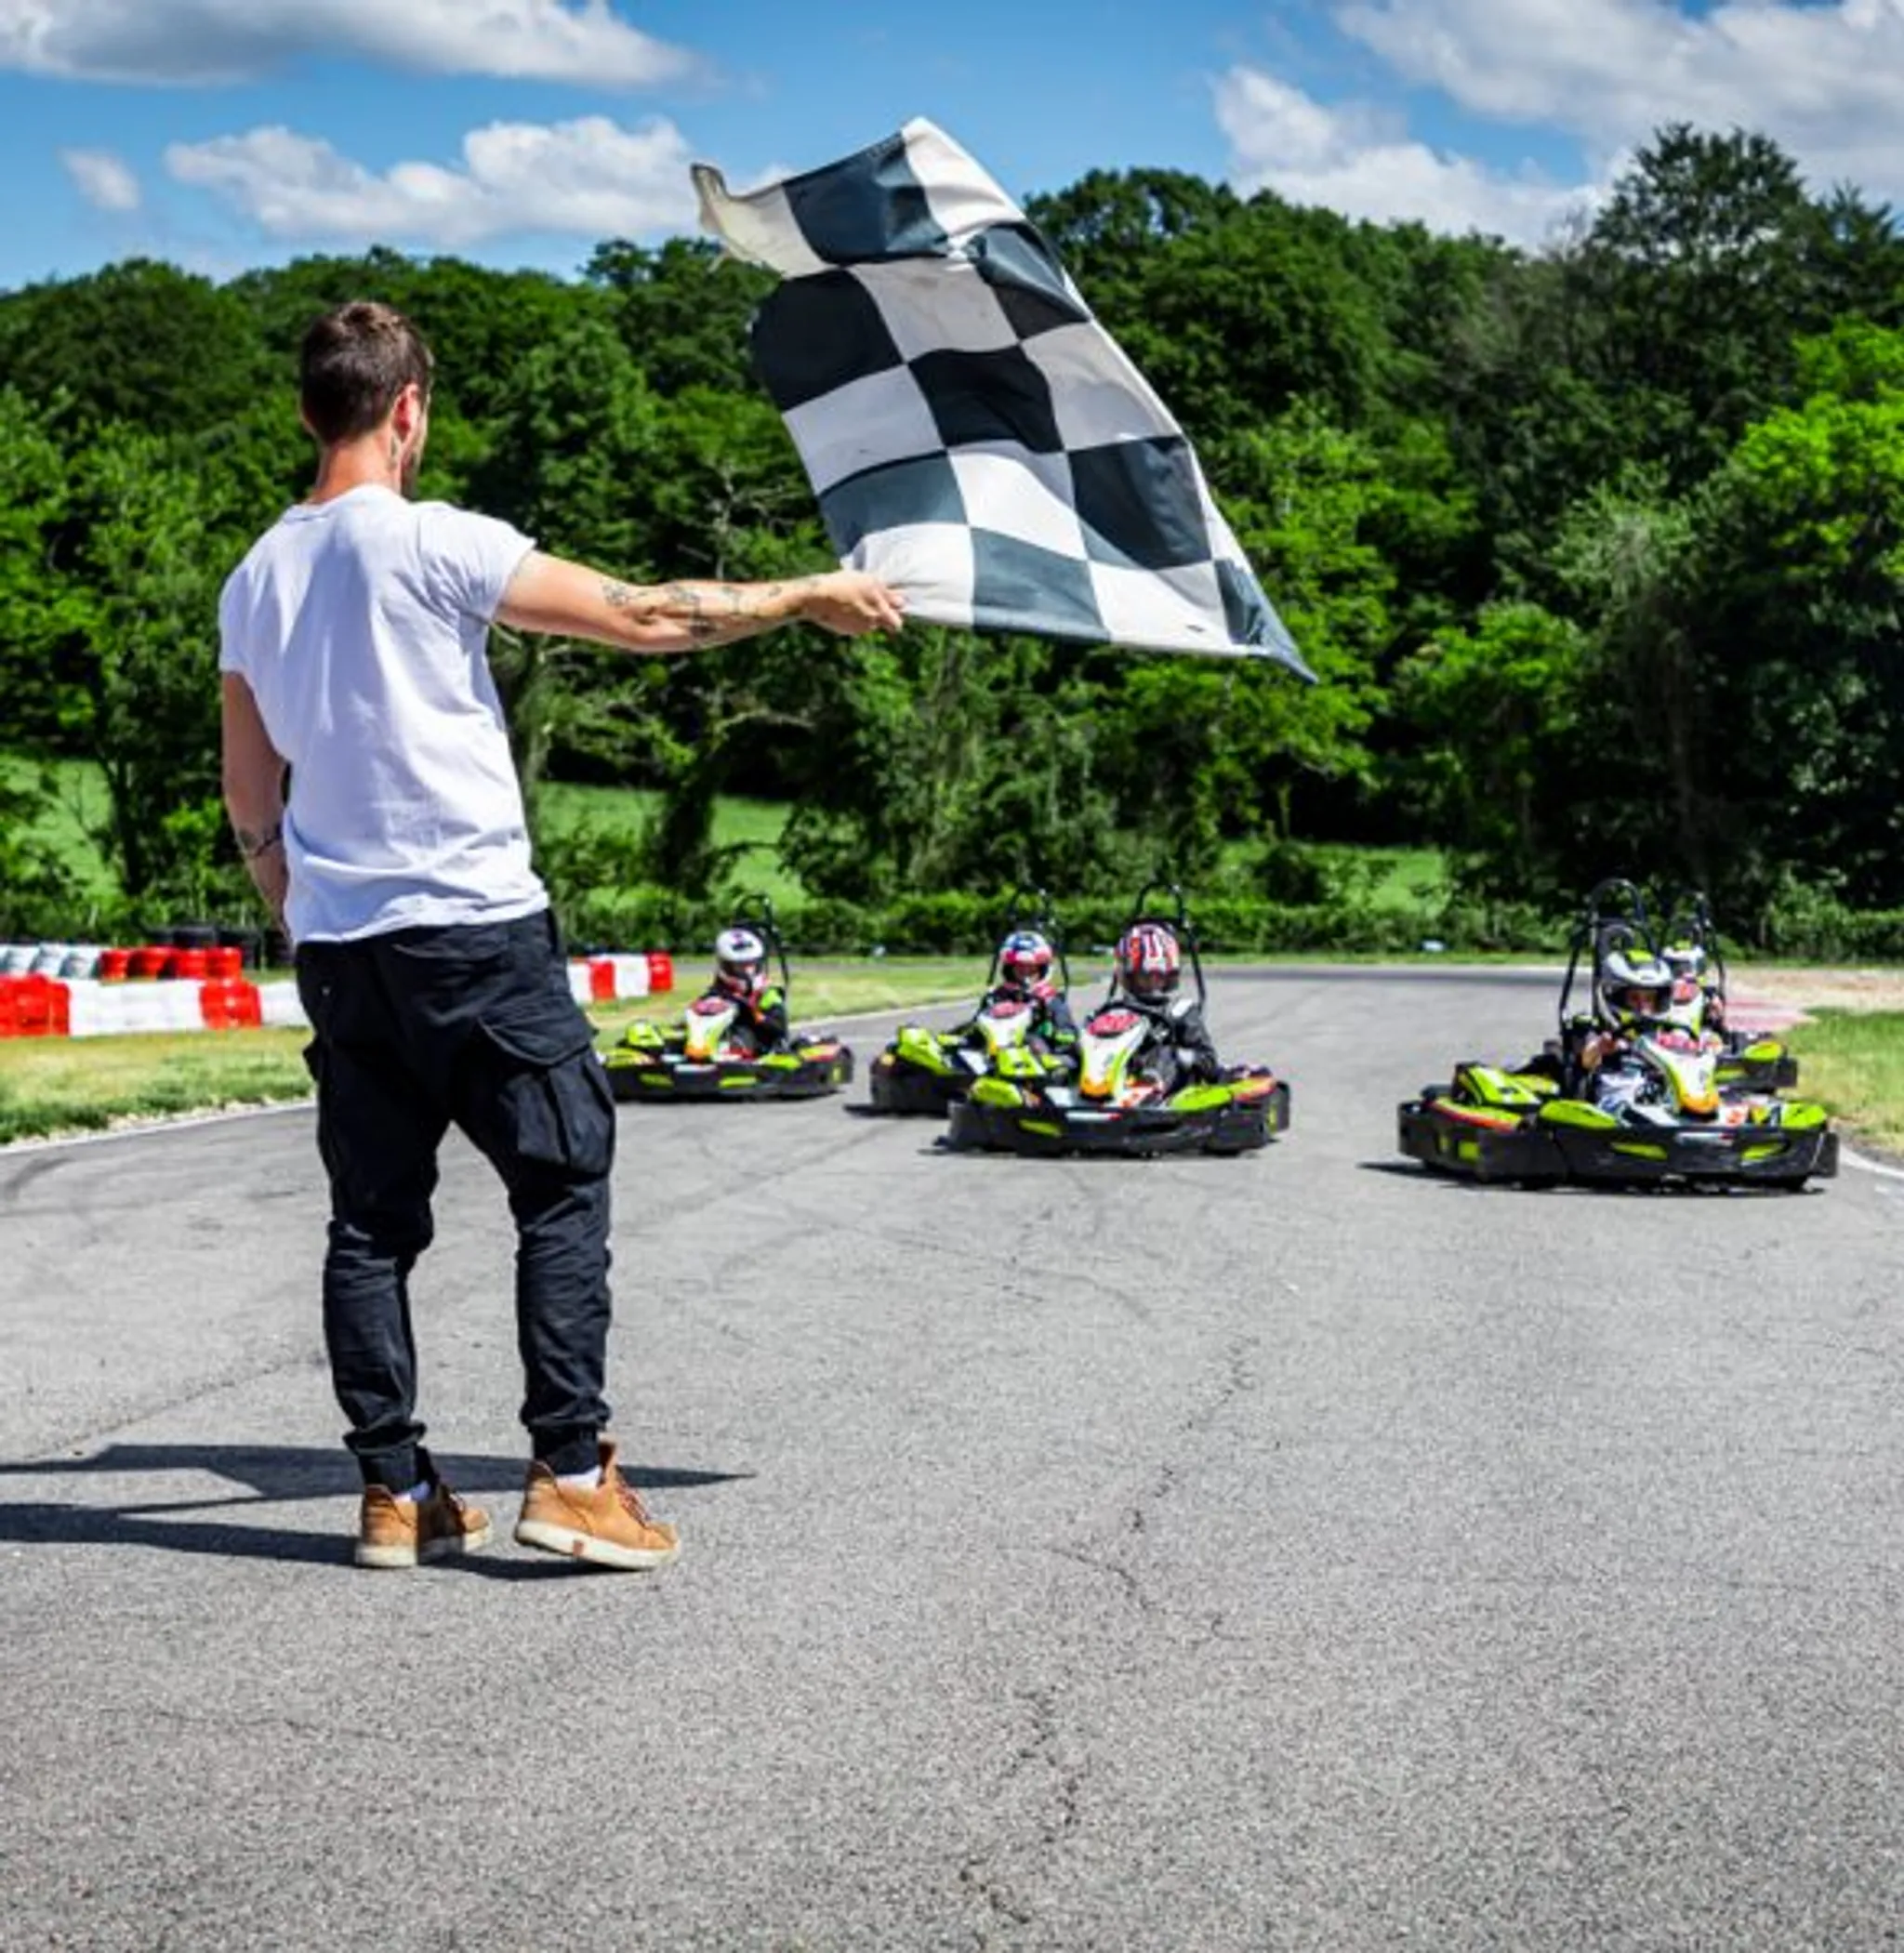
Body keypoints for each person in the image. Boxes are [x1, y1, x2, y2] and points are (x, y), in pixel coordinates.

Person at [218, 300, 905, 1572]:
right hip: (474, 929)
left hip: (344, 948)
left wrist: (303, 916)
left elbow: (249, 789)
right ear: (409, 407)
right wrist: (809, 593)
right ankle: (576, 1474)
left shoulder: (253, 576)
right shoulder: (433, 543)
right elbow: (644, 615)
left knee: (371, 1225)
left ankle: (392, 1490)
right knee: (561, 1185)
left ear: (309, 409)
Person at [1104, 921, 1220, 1093]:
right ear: (1127, 976)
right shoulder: (1115, 1011)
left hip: (1168, 1088)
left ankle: (1149, 1084)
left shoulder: (1180, 1011)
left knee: (1166, 1053)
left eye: (1158, 975)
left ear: (1169, 976)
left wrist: (1178, 1055)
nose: (1152, 982)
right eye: (1144, 976)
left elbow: (1209, 1061)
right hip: (1117, 1080)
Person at [1576, 946, 1673, 1111]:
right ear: (1615, 997)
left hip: (1659, 1100)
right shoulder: (1598, 1029)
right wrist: (1600, 1048)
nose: (1642, 1007)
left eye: (1649, 999)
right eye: (1634, 999)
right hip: (1614, 1103)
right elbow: (1586, 1059)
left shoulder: (1663, 1030)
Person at [973, 928, 1076, 1050]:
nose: (1025, 972)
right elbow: (976, 1027)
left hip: (1034, 1054)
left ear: (1042, 969)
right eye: (1020, 967)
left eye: (1031, 968)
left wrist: (1062, 1033)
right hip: (994, 1051)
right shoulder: (994, 997)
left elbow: (1068, 1031)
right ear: (1009, 969)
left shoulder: (1051, 999)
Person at [699, 924, 789, 1053]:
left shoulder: (767, 995)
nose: (748, 972)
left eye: (751, 965)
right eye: (741, 967)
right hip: (714, 1047)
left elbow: (780, 1029)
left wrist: (753, 1014)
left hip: (761, 1051)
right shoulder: (717, 993)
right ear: (726, 966)